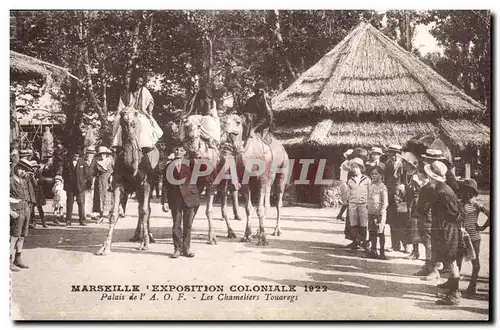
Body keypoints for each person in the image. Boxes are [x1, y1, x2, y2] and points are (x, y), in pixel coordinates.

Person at [424, 161, 463, 305]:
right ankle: (452, 288)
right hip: (445, 229)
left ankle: (454, 294)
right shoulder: (441, 189)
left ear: (433, 177)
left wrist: (445, 228)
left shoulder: (443, 192)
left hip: (448, 231)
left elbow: (455, 213)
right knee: (449, 260)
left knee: (451, 261)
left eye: (429, 176)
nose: (428, 179)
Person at [162, 143, 200, 258]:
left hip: (190, 198)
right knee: (176, 225)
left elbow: (202, 170)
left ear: (185, 152)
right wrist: (165, 201)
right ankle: (177, 249)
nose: (178, 152)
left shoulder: (191, 163)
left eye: (181, 150)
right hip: (175, 199)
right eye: (176, 149)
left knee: (188, 225)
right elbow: (165, 185)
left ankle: (186, 249)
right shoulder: (168, 166)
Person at [111, 74, 163, 154]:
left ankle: (145, 145)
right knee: (119, 121)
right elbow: (121, 103)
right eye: (137, 81)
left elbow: (151, 100)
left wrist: (150, 111)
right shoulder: (127, 91)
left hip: (139, 112)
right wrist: (124, 110)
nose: (138, 83)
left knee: (144, 122)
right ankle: (117, 144)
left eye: (141, 82)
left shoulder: (144, 90)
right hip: (128, 111)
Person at [459, 179, 489, 298]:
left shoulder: (477, 204)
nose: (467, 194)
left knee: (475, 263)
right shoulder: (459, 202)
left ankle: (472, 287)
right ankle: (453, 285)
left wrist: (482, 227)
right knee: (457, 260)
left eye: (470, 191)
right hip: (461, 238)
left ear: (474, 192)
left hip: (474, 238)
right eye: (465, 191)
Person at [10, 159, 34, 271]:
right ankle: (8, 261)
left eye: (25, 170)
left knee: (22, 236)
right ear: (15, 167)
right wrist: (10, 211)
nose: (22, 171)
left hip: (25, 210)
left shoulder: (23, 181)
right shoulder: (10, 181)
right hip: (15, 211)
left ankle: (18, 258)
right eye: (21, 168)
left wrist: (28, 208)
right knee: (13, 236)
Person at [413, 169, 435, 277]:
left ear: (423, 174)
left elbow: (430, 204)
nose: (417, 174)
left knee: (429, 244)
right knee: (426, 243)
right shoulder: (425, 186)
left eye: (418, 172)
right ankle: (427, 267)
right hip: (423, 217)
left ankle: (432, 269)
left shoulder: (430, 187)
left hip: (428, 218)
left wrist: (424, 212)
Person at [346, 157, 371, 250]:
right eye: (353, 167)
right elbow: (348, 192)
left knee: (363, 222)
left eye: (356, 167)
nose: (354, 169)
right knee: (353, 222)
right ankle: (355, 241)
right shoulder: (350, 180)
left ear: (361, 168)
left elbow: (370, 191)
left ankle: (363, 241)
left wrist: (369, 202)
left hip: (363, 203)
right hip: (353, 203)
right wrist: (348, 200)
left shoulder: (366, 179)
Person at [400, 152, 421, 259]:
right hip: (408, 203)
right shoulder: (406, 174)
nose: (403, 164)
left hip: (415, 204)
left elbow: (419, 191)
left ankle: (417, 251)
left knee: (415, 227)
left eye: (405, 162)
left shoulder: (416, 175)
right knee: (409, 227)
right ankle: (414, 250)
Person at [63, 150, 91, 226]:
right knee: (69, 203)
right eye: (74, 155)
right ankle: (68, 220)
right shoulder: (67, 163)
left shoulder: (83, 163)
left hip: (80, 187)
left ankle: (82, 220)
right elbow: (64, 174)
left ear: (79, 156)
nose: (75, 156)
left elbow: (87, 174)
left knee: (81, 203)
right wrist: (66, 184)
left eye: (77, 155)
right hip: (70, 187)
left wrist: (83, 183)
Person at [366, 165, 388, 259]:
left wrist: (381, 212)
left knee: (380, 232)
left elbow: (385, 202)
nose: (374, 176)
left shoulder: (382, 187)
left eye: (376, 174)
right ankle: (373, 250)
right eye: (372, 174)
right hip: (371, 212)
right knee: (372, 232)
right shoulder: (371, 185)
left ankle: (382, 252)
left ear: (380, 175)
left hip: (379, 214)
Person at [384, 144, 403, 252]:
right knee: (392, 219)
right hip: (390, 193)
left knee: (401, 219)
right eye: (390, 152)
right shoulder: (388, 163)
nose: (391, 155)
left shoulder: (401, 164)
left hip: (399, 193)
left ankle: (405, 244)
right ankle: (395, 244)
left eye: (393, 153)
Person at [92, 146, 114, 224]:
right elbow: (94, 173)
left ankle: (110, 216)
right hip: (100, 182)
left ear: (106, 154)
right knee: (101, 199)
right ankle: (101, 216)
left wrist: (112, 177)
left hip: (109, 182)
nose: (102, 156)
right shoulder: (97, 162)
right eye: (101, 154)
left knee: (110, 198)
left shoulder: (110, 161)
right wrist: (93, 182)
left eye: (104, 154)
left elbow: (114, 171)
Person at [29, 160, 47, 228]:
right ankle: (33, 222)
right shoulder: (30, 175)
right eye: (33, 167)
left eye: (35, 167)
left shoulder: (39, 174)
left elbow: (41, 182)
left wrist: (35, 178)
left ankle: (43, 221)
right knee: (32, 208)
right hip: (32, 192)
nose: (34, 168)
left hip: (38, 192)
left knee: (40, 208)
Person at [336, 149, 353, 221]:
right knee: (348, 201)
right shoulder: (347, 163)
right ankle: (342, 215)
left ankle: (340, 215)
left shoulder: (346, 162)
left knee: (346, 201)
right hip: (344, 183)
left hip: (344, 182)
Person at [84, 147, 96, 220]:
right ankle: (84, 213)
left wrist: (94, 183)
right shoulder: (83, 161)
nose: (89, 155)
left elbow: (96, 173)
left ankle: (92, 213)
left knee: (92, 198)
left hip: (92, 182)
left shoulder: (95, 162)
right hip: (84, 183)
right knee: (84, 198)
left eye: (91, 153)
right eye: (88, 153)